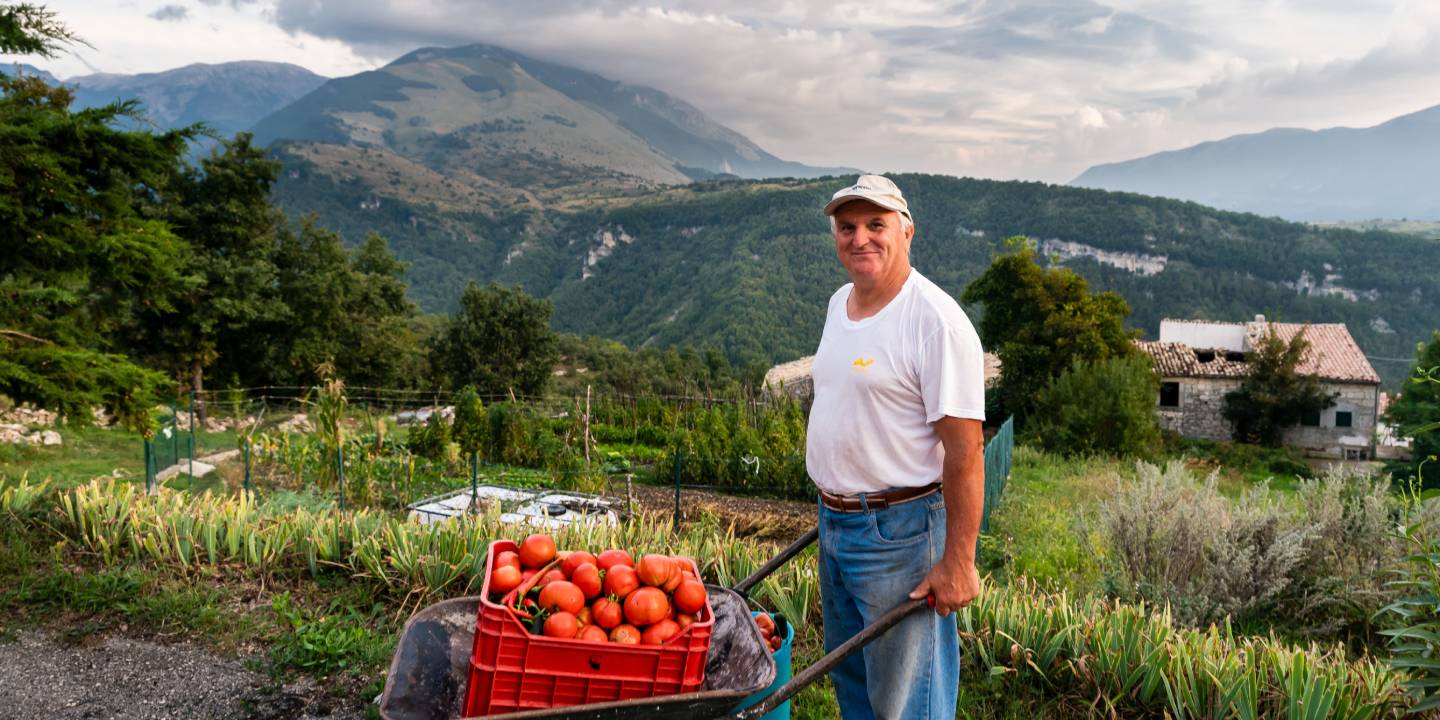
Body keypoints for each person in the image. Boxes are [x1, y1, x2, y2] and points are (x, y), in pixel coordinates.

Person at [807, 174, 986, 719]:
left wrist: (959, 561)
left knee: (907, 702)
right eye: (848, 226)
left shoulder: (936, 323)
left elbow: (966, 452)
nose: (860, 238)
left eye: (876, 225)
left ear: (908, 233)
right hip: (835, 523)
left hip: (900, 534)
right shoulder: (841, 303)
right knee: (856, 685)